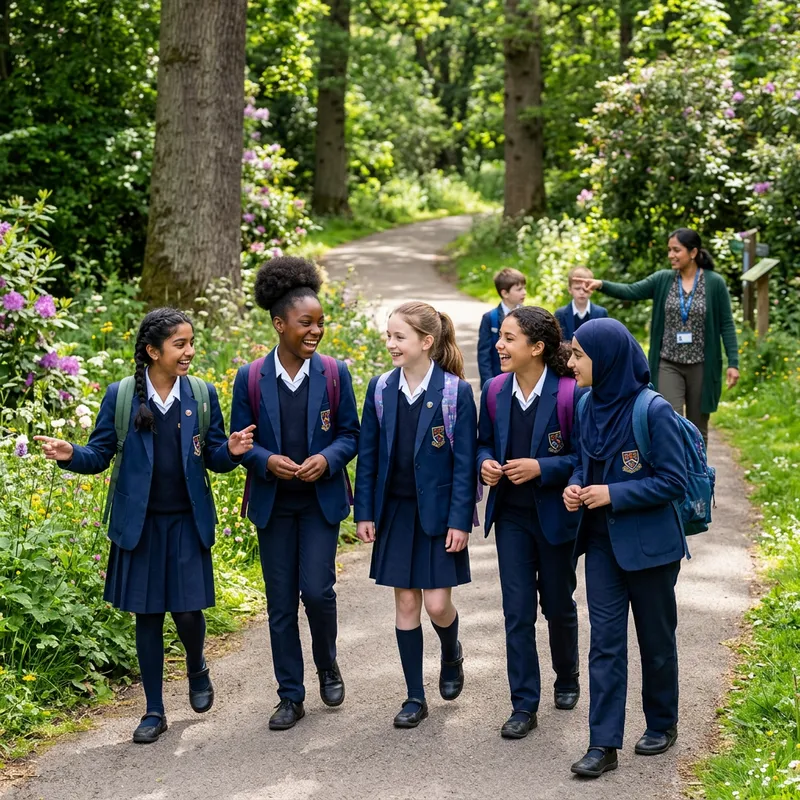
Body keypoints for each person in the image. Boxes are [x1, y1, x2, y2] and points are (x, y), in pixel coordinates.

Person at [35, 308, 255, 744]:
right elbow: (100, 454)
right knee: (148, 616)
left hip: (188, 521)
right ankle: (154, 710)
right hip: (140, 526)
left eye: (191, 343)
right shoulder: (121, 397)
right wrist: (70, 454)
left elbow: (212, 455)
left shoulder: (202, 394)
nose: (189, 352)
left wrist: (230, 451)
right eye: (180, 345)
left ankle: (196, 665)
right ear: (153, 352)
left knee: (188, 611)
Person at [230, 257, 360, 731]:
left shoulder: (333, 373)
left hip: (320, 503)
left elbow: (351, 433)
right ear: (279, 324)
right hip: (274, 506)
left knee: (319, 593)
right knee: (280, 602)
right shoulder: (249, 378)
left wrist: (328, 458)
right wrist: (265, 459)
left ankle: (327, 664)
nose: (316, 331)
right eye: (306, 323)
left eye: (320, 322)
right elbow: (239, 442)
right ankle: (290, 694)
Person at [563, 318, 688, 778]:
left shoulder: (653, 410)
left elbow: (673, 481)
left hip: (651, 548)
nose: (571, 363)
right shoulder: (584, 405)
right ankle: (603, 744)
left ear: (608, 359)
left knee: (656, 641)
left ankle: (662, 723)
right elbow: (583, 462)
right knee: (605, 644)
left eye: (579, 355)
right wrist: (576, 485)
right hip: (600, 544)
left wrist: (613, 493)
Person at [355, 301, 477, 729]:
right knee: (406, 602)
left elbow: (464, 464)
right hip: (396, 513)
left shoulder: (454, 392)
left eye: (399, 336)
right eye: (388, 335)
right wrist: (364, 512)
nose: (390, 343)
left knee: (438, 604)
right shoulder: (380, 389)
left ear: (426, 342)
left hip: (439, 515)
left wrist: (460, 520)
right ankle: (414, 697)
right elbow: (368, 457)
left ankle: (451, 651)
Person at [477, 307, 583, 740]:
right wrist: (485, 463)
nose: (499, 345)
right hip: (511, 518)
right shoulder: (493, 390)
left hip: (556, 518)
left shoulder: (570, 393)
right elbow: (483, 442)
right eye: (500, 337)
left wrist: (542, 467)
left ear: (536, 348)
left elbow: (582, 459)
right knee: (516, 612)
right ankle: (523, 704)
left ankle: (567, 675)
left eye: (508, 338)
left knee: (557, 605)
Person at [581, 228, 739, 445]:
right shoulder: (663, 279)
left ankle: (699, 466)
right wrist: (602, 285)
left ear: (693, 252)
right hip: (668, 363)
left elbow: (726, 324)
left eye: (676, 250)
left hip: (701, 365)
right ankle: (675, 466)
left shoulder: (714, 282)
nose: (671, 255)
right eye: (669, 250)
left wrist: (733, 363)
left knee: (697, 428)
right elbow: (631, 291)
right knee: (669, 420)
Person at [478, 267, 527, 385]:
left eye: (524, 288)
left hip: (523, 379)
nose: (524, 292)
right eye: (519, 289)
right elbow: (484, 355)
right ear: (505, 293)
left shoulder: (528, 316)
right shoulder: (490, 318)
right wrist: (488, 383)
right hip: (498, 378)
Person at [554, 266, 608, 342]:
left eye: (585, 288)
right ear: (570, 289)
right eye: (577, 288)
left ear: (592, 289)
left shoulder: (601, 313)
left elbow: (603, 340)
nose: (582, 292)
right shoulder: (560, 314)